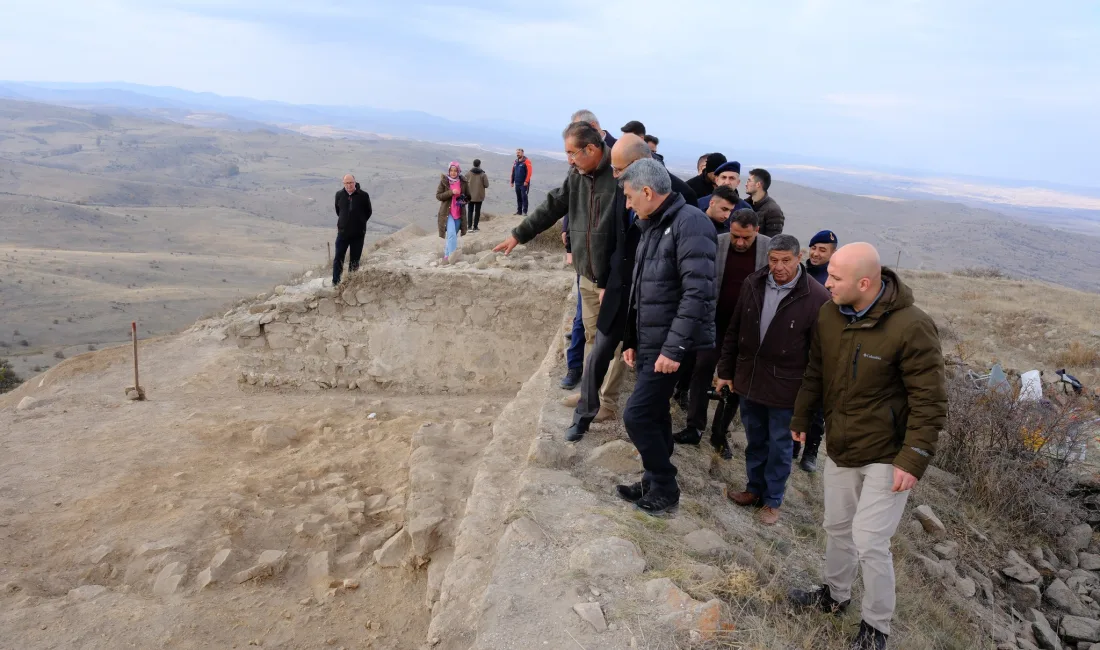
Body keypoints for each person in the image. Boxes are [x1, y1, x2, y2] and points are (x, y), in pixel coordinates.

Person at [787, 243, 947, 650]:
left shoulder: (912, 326)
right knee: (837, 527)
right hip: (842, 444)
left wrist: (913, 459)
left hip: (890, 454)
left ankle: (876, 628)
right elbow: (816, 371)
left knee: (870, 540)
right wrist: (803, 417)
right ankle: (834, 596)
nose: (827, 282)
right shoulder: (829, 314)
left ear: (864, 282)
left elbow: (930, 402)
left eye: (835, 278)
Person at [495, 121, 625, 423]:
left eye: (571, 153)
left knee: (614, 344)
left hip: (615, 280)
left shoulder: (619, 172)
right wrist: (519, 234)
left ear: (591, 149)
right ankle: (590, 393)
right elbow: (554, 204)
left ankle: (607, 403)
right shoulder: (578, 175)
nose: (569, 159)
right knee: (594, 338)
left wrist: (616, 279)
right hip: (587, 275)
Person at [567, 134, 688, 440]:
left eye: (619, 168)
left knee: (635, 358)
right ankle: (583, 416)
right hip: (621, 286)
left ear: (637, 163)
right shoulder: (623, 186)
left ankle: (641, 429)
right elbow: (613, 239)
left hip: (653, 294)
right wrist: (606, 281)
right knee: (599, 354)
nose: (615, 174)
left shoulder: (672, 190)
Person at [616, 158, 716, 514]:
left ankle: (666, 484)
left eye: (629, 197)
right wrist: (630, 338)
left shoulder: (691, 223)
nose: (628, 205)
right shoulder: (654, 224)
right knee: (655, 412)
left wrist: (674, 349)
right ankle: (652, 481)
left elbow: (697, 293)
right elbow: (642, 287)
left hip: (673, 344)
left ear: (647, 191)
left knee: (637, 415)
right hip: (650, 339)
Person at [717, 234, 830, 526]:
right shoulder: (753, 282)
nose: (778, 267)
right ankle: (754, 490)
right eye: (773, 260)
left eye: (786, 261)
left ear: (798, 258)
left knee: (780, 446)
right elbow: (734, 329)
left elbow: (819, 354)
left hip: (786, 387)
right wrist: (726, 371)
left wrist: (810, 397)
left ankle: (772, 501)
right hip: (750, 379)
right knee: (756, 439)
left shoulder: (816, 297)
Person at [674, 206, 771, 457]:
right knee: (702, 367)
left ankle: (719, 434)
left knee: (736, 380)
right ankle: (694, 427)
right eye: (735, 235)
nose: (739, 242)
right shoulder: (716, 244)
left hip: (748, 327)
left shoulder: (769, 250)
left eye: (746, 238)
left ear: (757, 231)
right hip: (713, 320)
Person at [333, 174, 372, 285]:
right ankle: (336, 282)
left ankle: (351, 283)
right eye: (346, 183)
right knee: (338, 258)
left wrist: (360, 222)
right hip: (343, 233)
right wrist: (343, 223)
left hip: (358, 234)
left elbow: (368, 212)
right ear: (343, 183)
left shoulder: (363, 195)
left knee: (354, 260)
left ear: (355, 182)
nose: (349, 185)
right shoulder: (339, 195)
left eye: (351, 182)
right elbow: (338, 211)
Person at [697, 161, 752, 228]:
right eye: (723, 177)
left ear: (738, 182)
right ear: (716, 180)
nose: (727, 182)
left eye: (731, 178)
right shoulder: (700, 203)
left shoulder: (745, 209)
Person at [436, 162, 469, 261]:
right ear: (449, 171)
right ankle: (452, 256)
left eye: (455, 171)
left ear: (458, 171)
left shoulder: (463, 182)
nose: (453, 173)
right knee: (451, 234)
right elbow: (438, 196)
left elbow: (468, 196)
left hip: (459, 212)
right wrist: (451, 192)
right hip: (447, 213)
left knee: (453, 235)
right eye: (451, 170)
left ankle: (446, 256)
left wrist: (463, 200)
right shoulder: (444, 182)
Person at [745, 168, 785, 237]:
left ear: (758, 184)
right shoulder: (745, 205)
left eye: (749, 181)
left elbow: (772, 241)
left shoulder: (773, 211)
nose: (746, 184)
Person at [464, 158, 489, 231]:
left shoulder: (468, 173)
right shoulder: (483, 174)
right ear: (479, 165)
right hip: (479, 196)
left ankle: (469, 227)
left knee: (470, 211)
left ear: (473, 164)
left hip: (470, 196)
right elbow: (486, 185)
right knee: (477, 212)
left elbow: (464, 183)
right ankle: (475, 227)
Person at [511, 149, 532, 215]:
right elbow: (513, 172)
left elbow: (529, 172)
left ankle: (524, 211)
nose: (518, 154)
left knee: (524, 197)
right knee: (518, 197)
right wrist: (512, 181)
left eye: (519, 152)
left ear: (522, 153)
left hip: (524, 183)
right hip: (517, 183)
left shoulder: (527, 161)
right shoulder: (515, 161)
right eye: (517, 153)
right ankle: (519, 211)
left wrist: (526, 181)